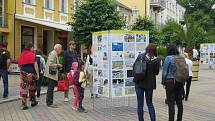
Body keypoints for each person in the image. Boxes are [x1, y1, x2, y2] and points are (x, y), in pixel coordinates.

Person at [134, 43, 160, 121]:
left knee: (140, 104)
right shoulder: (156, 60)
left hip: (139, 83)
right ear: (155, 50)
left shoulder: (141, 56)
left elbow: (135, 67)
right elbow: (156, 73)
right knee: (149, 103)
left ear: (147, 49)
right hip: (149, 85)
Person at [162, 43, 183, 121]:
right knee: (179, 103)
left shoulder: (168, 58)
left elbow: (164, 72)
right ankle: (179, 119)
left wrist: (163, 82)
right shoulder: (180, 57)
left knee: (171, 103)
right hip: (180, 81)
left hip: (170, 82)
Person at [18, 43, 39, 110]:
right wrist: (38, 74)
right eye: (33, 47)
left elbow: (19, 65)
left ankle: (24, 104)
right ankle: (33, 101)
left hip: (24, 73)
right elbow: (35, 65)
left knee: (24, 88)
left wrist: (21, 74)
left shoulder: (22, 54)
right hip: (31, 73)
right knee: (32, 87)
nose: (33, 49)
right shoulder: (33, 55)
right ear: (30, 48)